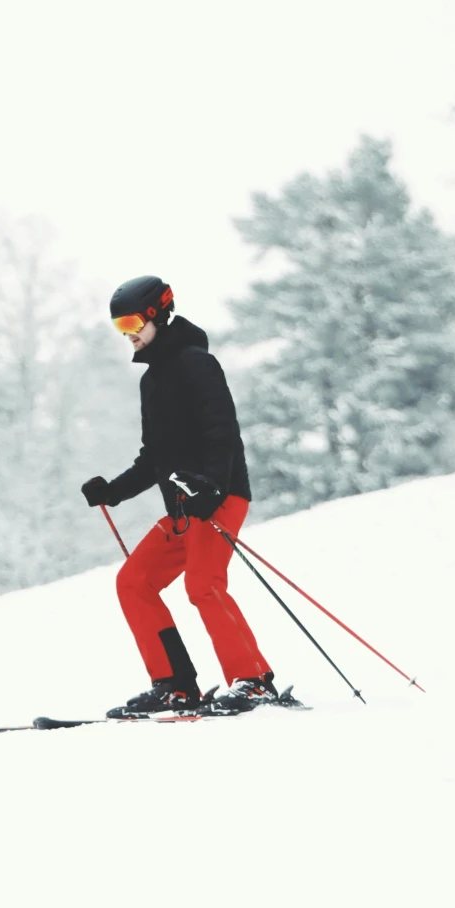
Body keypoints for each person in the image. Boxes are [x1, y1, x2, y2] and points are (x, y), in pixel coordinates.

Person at [80, 275, 278, 718]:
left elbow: (222, 431)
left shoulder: (196, 363)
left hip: (219, 496)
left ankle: (255, 682)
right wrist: (114, 491)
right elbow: (154, 457)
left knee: (203, 585)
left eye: (131, 322)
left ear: (156, 314)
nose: (127, 333)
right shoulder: (152, 381)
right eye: (118, 326)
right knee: (134, 582)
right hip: (183, 508)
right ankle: (175, 686)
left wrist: (211, 484)